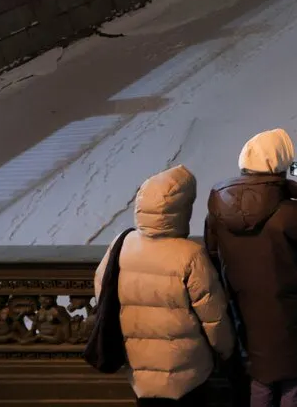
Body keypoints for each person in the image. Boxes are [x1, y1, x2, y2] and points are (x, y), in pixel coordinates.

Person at [205, 129, 297, 407]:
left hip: (246, 310)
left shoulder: (219, 210)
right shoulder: (288, 213)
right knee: (294, 380)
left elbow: (212, 253)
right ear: (280, 164)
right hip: (293, 313)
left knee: (262, 376)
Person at [94, 166, 236, 406]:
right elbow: (214, 317)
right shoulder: (190, 255)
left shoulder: (121, 243)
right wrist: (226, 350)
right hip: (187, 370)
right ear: (182, 210)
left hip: (139, 364)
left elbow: (102, 290)